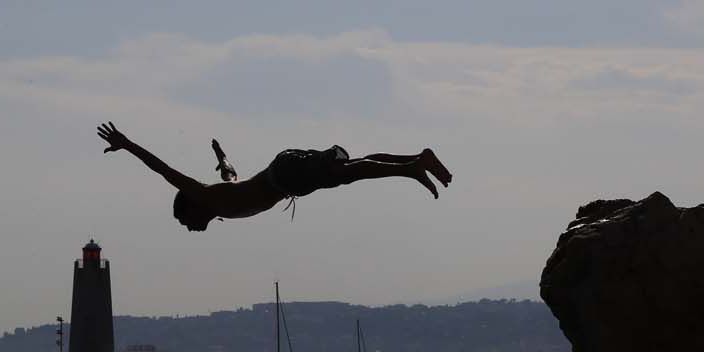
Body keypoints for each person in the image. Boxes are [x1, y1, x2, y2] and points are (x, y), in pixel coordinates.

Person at [95, 123, 452, 231]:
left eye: (184, 220)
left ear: (191, 206)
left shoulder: (204, 195)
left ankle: (411, 169)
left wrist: (127, 144)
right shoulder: (221, 198)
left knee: (349, 174)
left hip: (287, 175)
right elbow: (232, 174)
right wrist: (221, 156)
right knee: (351, 169)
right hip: (285, 172)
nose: (188, 227)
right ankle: (416, 159)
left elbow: (162, 169)